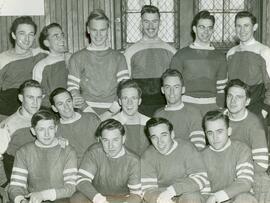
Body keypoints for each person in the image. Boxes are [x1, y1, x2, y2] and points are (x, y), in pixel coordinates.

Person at [67, 9, 129, 118]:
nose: (99, 35)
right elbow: (72, 88)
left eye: (103, 30)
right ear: (88, 30)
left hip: (114, 111)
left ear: (108, 30)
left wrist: (109, 113)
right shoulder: (77, 57)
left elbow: (125, 89)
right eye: (95, 30)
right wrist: (89, 112)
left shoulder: (119, 57)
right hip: (85, 112)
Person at [8, 109, 77, 203]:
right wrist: (22, 200)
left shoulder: (68, 151)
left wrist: (43, 195)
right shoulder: (23, 152)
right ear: (33, 131)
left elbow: (71, 188)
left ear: (56, 128)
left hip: (61, 200)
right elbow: (16, 185)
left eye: (50, 128)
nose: (47, 134)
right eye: (41, 129)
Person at [170, 10, 227, 116]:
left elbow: (221, 90)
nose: (206, 31)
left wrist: (219, 110)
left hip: (212, 107)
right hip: (186, 106)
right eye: (202, 27)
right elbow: (173, 87)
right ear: (194, 29)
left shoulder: (220, 57)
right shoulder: (180, 55)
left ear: (213, 30)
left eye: (209, 28)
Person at [124, 5, 177, 117]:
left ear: (159, 23)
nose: (151, 26)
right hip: (139, 110)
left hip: (165, 109)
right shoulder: (130, 52)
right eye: (146, 22)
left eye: (154, 21)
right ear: (141, 24)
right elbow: (126, 86)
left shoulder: (172, 51)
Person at [72, 119, 141, 203]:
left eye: (115, 140)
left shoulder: (133, 160)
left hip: (121, 198)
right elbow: (81, 180)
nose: (110, 146)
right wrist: (99, 199)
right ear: (100, 139)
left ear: (123, 139)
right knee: (77, 198)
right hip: (95, 196)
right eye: (106, 140)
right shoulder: (94, 152)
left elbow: (136, 195)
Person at [141, 117, 209, 203]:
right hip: (162, 196)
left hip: (186, 193)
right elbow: (147, 189)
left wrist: (172, 191)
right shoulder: (148, 156)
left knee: (192, 198)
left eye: (164, 135)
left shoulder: (187, 148)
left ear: (172, 134)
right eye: (154, 137)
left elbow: (201, 178)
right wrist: (159, 198)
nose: (160, 142)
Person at [224, 79, 270, 202]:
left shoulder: (254, 124)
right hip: (222, 168)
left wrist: (240, 173)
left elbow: (262, 163)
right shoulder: (218, 119)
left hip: (246, 169)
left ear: (247, 101)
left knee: (264, 181)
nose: (233, 101)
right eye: (230, 96)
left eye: (239, 97)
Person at [202, 110, 256, 203]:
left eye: (219, 131)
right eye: (210, 133)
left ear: (229, 131)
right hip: (210, 199)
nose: (215, 137)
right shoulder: (201, 155)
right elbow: (203, 190)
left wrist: (217, 196)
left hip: (236, 197)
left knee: (245, 198)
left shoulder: (242, 149)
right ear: (206, 135)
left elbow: (245, 182)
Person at [227, 11, 270, 121]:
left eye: (246, 26)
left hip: (256, 111)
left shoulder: (264, 51)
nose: (242, 30)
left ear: (254, 27)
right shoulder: (231, 53)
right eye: (238, 26)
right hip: (234, 111)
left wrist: (264, 110)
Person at [0, 16, 47, 116]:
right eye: (22, 34)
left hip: (35, 103)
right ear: (13, 35)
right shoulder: (3, 59)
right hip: (9, 106)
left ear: (34, 36)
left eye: (30, 34)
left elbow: (62, 56)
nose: (27, 39)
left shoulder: (40, 54)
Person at [1, 80, 43, 180]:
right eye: (30, 97)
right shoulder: (8, 125)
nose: (35, 102)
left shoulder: (46, 117)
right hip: (24, 179)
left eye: (39, 98)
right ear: (21, 98)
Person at [154, 69, 205, 151]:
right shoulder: (158, 114)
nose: (172, 92)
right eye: (168, 87)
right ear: (162, 90)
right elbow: (156, 146)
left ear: (183, 89)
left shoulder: (193, 112)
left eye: (176, 87)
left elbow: (199, 147)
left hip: (187, 160)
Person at [50, 87, 100, 164]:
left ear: (73, 102)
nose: (66, 106)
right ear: (54, 108)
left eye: (68, 101)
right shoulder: (55, 130)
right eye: (60, 104)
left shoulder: (91, 118)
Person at [33, 23, 70, 106]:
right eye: (56, 36)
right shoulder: (41, 66)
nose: (62, 39)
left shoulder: (74, 59)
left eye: (62, 35)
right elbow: (38, 96)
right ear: (47, 43)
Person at [113, 79, 150, 156]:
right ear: (120, 101)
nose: (129, 103)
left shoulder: (148, 123)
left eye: (133, 98)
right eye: (125, 98)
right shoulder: (112, 124)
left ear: (139, 101)